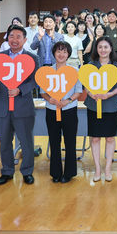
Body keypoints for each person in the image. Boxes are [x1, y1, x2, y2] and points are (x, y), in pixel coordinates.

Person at [0, 24, 40, 186]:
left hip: (23, 106)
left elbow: (35, 81)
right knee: (5, 142)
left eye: (18, 37)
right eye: (11, 37)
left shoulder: (32, 58)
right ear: (7, 39)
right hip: (2, 106)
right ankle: (7, 171)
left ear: (25, 39)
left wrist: (20, 90)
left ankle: (27, 171)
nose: (14, 40)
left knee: (26, 142)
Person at [40, 41, 82, 183]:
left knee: (70, 142)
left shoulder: (75, 71)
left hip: (69, 110)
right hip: (51, 110)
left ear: (68, 54)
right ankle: (55, 173)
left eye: (64, 51)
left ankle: (69, 173)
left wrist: (67, 101)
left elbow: (78, 91)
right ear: (54, 53)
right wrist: (49, 99)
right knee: (54, 141)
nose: (61, 54)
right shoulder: (47, 71)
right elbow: (43, 92)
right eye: (58, 51)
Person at [84, 37, 117, 182]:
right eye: (100, 47)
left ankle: (107, 169)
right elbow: (85, 84)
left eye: (106, 47)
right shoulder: (90, 65)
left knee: (110, 137)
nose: (103, 50)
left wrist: (108, 94)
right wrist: (90, 93)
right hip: (93, 106)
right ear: (96, 49)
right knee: (95, 138)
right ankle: (97, 169)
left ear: (111, 49)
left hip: (111, 105)